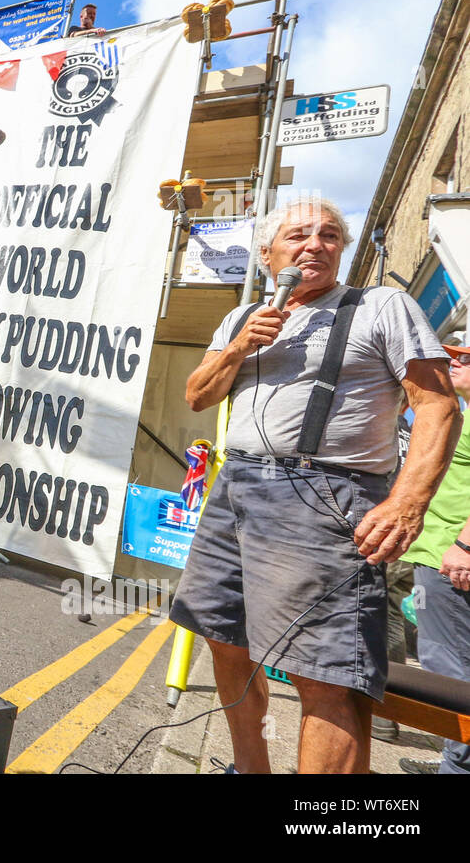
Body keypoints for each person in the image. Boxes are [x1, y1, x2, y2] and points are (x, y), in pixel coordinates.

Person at [171, 196, 461, 774]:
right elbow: (198, 395)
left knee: (325, 672)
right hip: (237, 489)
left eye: (330, 236)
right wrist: (238, 346)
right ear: (267, 253)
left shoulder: (382, 306)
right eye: (299, 234)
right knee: (224, 639)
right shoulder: (241, 318)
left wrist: (407, 502)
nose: (315, 246)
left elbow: (437, 405)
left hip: (325, 496)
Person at [396, 343, 470, 774]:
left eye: (468, 357)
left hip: (452, 562)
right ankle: (454, 757)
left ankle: (458, 766)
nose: (456, 361)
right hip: (442, 556)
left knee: (449, 672)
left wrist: (464, 547)